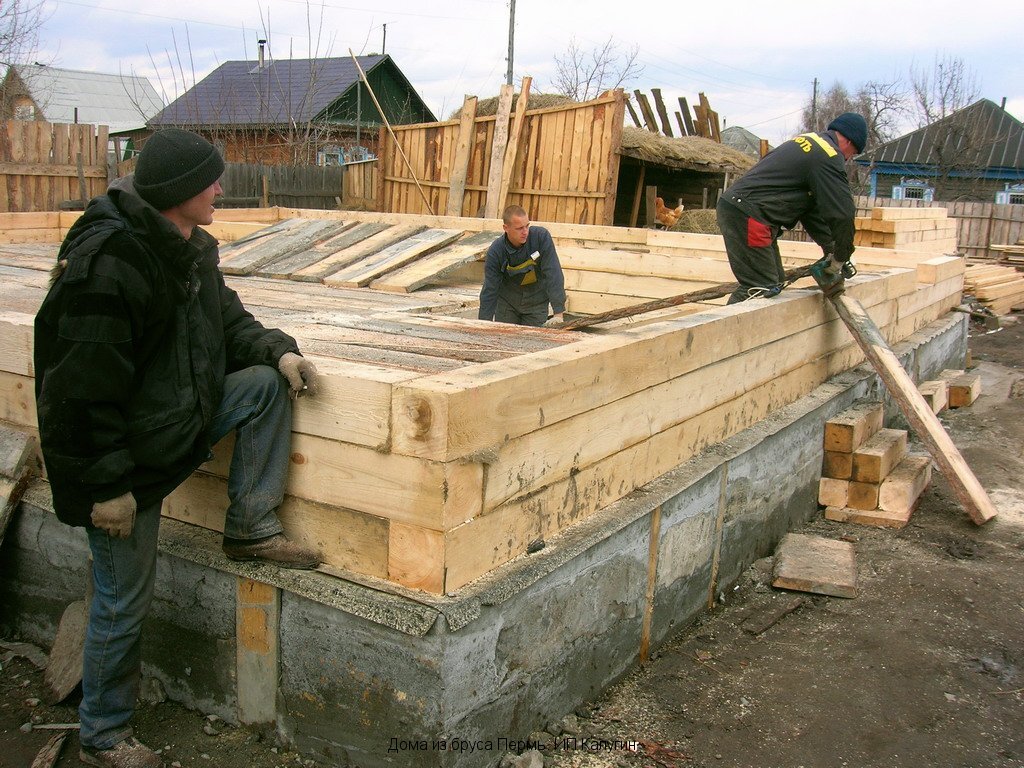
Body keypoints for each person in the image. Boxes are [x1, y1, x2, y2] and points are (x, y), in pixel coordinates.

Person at [33, 128, 322, 768]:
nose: (221, 189)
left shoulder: (188, 250)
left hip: (171, 423)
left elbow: (227, 320)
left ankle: (248, 525)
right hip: (124, 464)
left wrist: (278, 349)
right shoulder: (112, 262)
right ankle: (104, 736)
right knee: (122, 600)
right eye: (210, 181)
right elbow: (80, 389)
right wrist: (108, 488)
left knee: (260, 387)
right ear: (178, 191)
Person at [715, 112, 869, 304]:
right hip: (749, 215)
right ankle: (722, 333)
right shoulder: (828, 156)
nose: (848, 159)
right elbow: (843, 213)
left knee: (775, 284)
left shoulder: (811, 143)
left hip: (748, 211)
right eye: (852, 153)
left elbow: (810, 210)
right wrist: (841, 255)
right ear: (848, 141)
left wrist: (831, 249)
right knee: (760, 288)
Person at [478, 204, 567, 327]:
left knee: (532, 342)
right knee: (503, 339)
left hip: (536, 303)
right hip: (507, 303)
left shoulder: (541, 238)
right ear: (506, 228)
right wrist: (483, 323)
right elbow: (490, 288)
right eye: (519, 228)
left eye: (527, 226)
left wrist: (558, 313)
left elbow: (553, 273)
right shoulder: (496, 251)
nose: (525, 232)